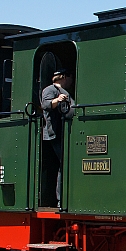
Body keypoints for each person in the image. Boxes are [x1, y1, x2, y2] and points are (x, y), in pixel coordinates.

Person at [41, 70, 75, 208]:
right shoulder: (50, 89)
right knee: (64, 164)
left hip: (64, 132)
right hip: (55, 132)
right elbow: (45, 105)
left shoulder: (63, 90)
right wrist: (57, 100)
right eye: (70, 78)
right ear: (65, 77)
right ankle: (61, 199)